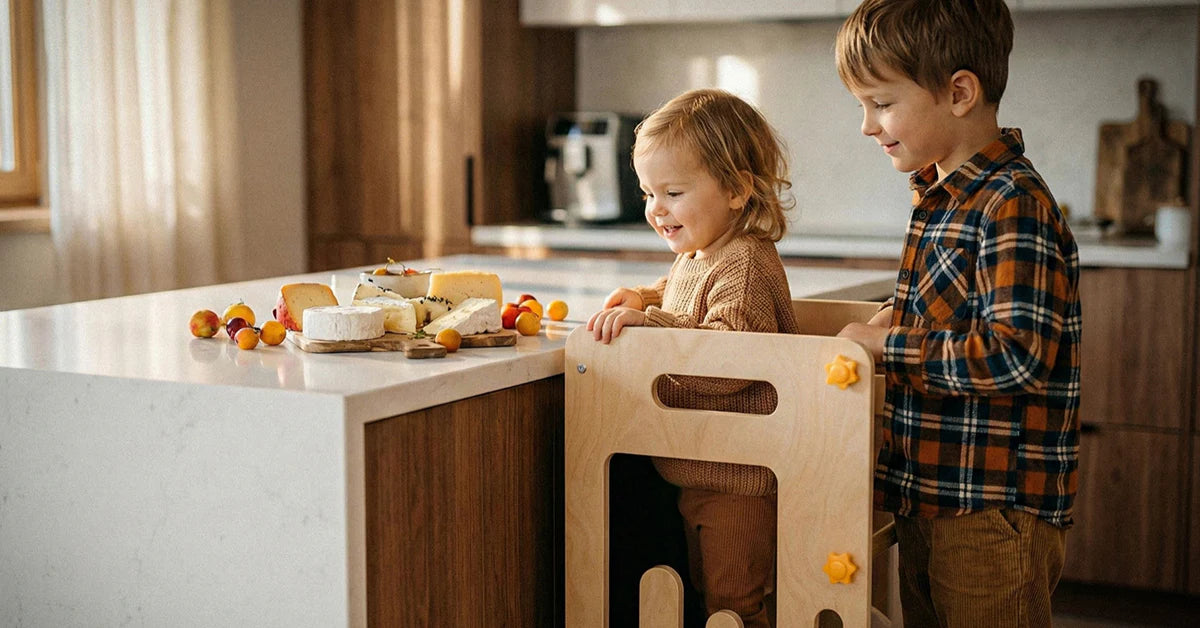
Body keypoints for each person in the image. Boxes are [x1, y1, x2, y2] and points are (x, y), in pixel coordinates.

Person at [832, 1, 1082, 626]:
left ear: (960, 92)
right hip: (932, 495)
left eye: (881, 103)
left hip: (992, 510)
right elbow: (958, 314)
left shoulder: (1010, 204)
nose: (867, 125)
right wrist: (898, 317)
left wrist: (888, 348)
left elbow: (1016, 355)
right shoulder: (943, 197)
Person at [586, 88, 799, 627]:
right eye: (647, 194)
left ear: (736, 189)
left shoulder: (745, 259)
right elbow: (681, 293)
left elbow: (729, 357)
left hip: (739, 480)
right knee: (709, 598)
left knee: (735, 605)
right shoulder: (702, 252)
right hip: (699, 467)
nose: (656, 210)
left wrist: (652, 326)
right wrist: (645, 299)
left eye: (673, 192)